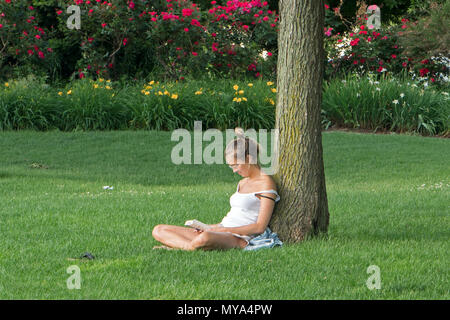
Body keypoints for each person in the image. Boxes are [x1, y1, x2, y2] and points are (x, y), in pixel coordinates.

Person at [152, 128, 281, 251]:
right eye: (231, 166)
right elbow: (232, 217)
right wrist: (209, 227)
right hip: (222, 230)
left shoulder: (266, 184)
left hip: (238, 237)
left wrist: (223, 231)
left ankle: (181, 247)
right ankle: (192, 246)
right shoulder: (242, 182)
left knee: (205, 238)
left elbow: (259, 227)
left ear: (248, 158)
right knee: (158, 230)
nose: (234, 170)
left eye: (236, 165)